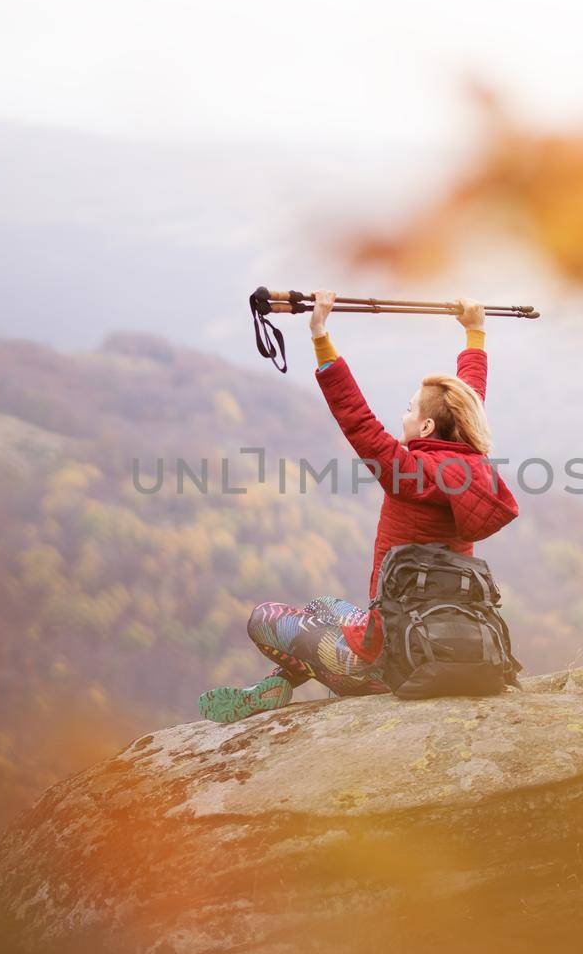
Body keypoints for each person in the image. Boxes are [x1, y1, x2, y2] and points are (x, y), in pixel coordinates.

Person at [198, 290, 520, 723]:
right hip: (434, 641)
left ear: (426, 425)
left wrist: (320, 336)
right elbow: (469, 402)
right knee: (324, 604)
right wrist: (474, 334)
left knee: (265, 618)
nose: (402, 416)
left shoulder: (406, 472)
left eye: (409, 410)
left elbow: (355, 416)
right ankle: (272, 687)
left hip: (381, 666)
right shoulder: (472, 467)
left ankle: (277, 687)